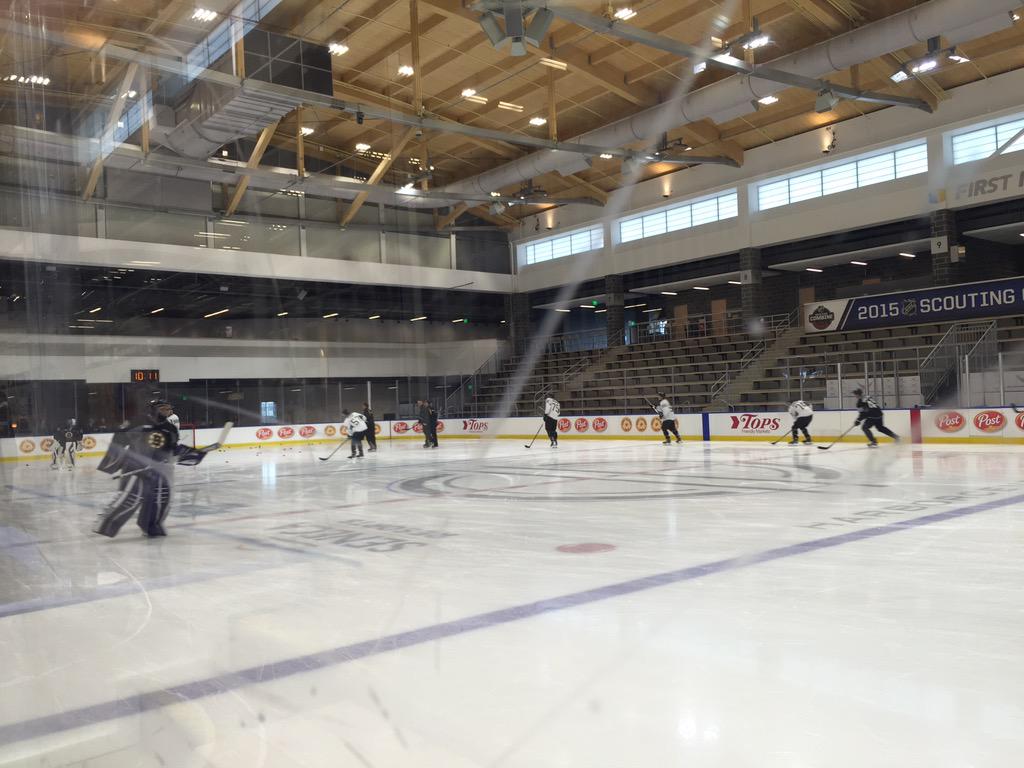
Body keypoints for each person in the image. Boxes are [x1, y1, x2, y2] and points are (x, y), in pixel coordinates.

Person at [94, 400, 207, 538]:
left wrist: (192, 454)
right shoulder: (137, 423)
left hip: (158, 471)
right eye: (163, 408)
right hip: (136, 468)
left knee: (161, 498)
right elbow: (120, 439)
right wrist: (113, 462)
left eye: (168, 409)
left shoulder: (169, 428)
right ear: (153, 409)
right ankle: (105, 524)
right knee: (130, 499)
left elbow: (171, 450)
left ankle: (152, 526)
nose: (166, 411)